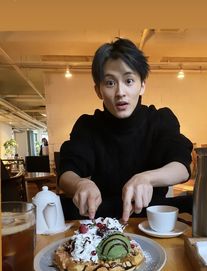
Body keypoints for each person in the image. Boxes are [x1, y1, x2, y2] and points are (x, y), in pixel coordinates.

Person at [58, 38, 193, 223]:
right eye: (110, 83)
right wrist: (80, 183)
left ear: (142, 85)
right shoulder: (88, 126)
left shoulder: (160, 120)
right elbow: (67, 172)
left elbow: (182, 167)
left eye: (129, 80)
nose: (120, 92)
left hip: (151, 220)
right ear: (98, 90)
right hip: (100, 221)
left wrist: (147, 178)